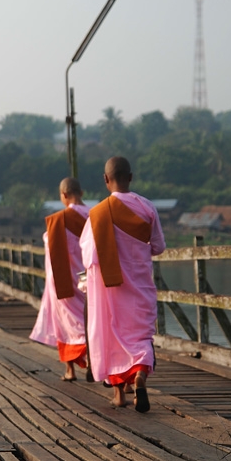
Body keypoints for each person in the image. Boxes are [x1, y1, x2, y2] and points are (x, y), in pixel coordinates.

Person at [79, 156, 166, 412]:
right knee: (140, 337)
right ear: (131, 177)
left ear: (106, 180)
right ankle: (139, 377)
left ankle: (119, 396)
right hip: (140, 287)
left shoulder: (97, 214)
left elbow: (88, 256)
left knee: (112, 336)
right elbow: (158, 247)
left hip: (109, 289)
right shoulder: (147, 208)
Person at [29, 178, 90, 382]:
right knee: (95, 318)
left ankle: (70, 370)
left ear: (63, 195)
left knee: (65, 322)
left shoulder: (59, 220)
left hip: (64, 279)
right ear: (81, 192)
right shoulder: (94, 216)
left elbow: (50, 243)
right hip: (90, 278)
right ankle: (94, 354)